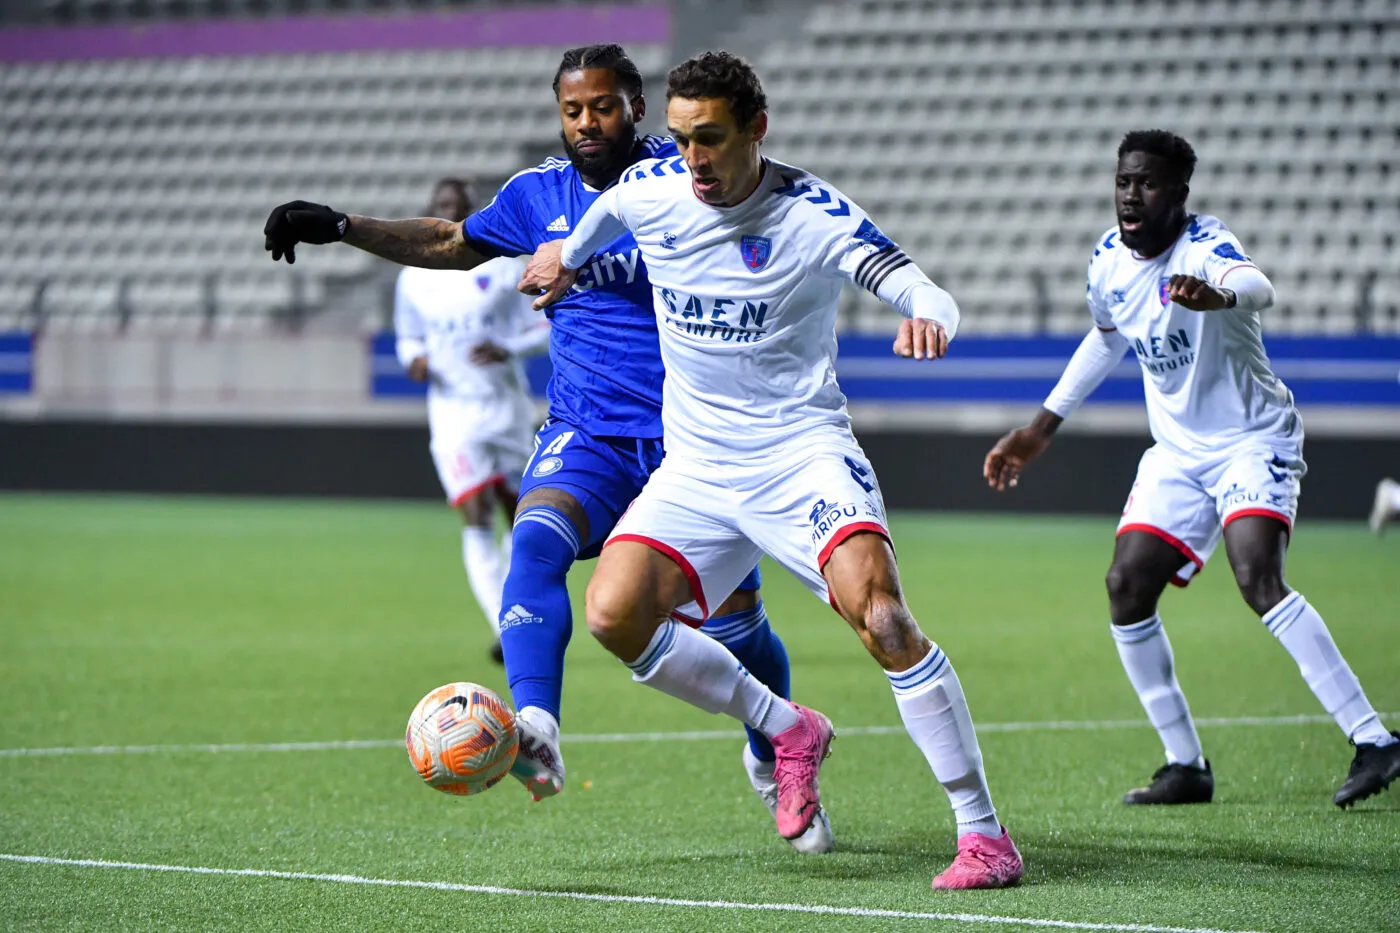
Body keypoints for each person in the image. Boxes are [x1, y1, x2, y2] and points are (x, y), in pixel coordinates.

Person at [263, 44, 830, 853]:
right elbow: (452, 243)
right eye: (572, 110)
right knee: (533, 542)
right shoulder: (539, 195)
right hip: (585, 430)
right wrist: (344, 227)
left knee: (738, 624)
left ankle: (773, 748)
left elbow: (761, 254)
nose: (587, 123)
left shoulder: (691, 180)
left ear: (635, 105)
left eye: (602, 106)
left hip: (696, 437)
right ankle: (535, 725)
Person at [520, 51, 1022, 891]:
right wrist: (565, 258)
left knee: (887, 621)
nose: (693, 160)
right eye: (679, 140)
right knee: (612, 613)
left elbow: (922, 288)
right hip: (699, 469)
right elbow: (596, 224)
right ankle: (785, 728)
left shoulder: (814, 215)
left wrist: (928, 317)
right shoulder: (650, 195)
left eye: (710, 139)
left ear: (757, 127)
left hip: (801, 458)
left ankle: (984, 837)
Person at [983, 130, 1400, 809]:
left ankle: (1375, 739)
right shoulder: (1108, 261)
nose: (1130, 193)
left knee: (1256, 574)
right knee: (1126, 583)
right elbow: (1107, 335)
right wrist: (1039, 429)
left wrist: (1217, 296)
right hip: (1178, 452)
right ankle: (1185, 765)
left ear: (1178, 194)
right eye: (1123, 180)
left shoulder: (1206, 248)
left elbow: (1256, 284)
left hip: (1250, 439)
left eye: (1146, 182)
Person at [393, 177, 548, 661]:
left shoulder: (504, 265)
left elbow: (545, 325)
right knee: (475, 515)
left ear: (470, 210)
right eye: (440, 204)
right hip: (452, 413)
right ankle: (505, 626)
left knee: (521, 518)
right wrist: (412, 359)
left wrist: (507, 348)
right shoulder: (413, 275)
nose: (447, 211)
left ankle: (526, 610)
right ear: (429, 209)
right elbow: (407, 336)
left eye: (455, 205)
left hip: (505, 408)